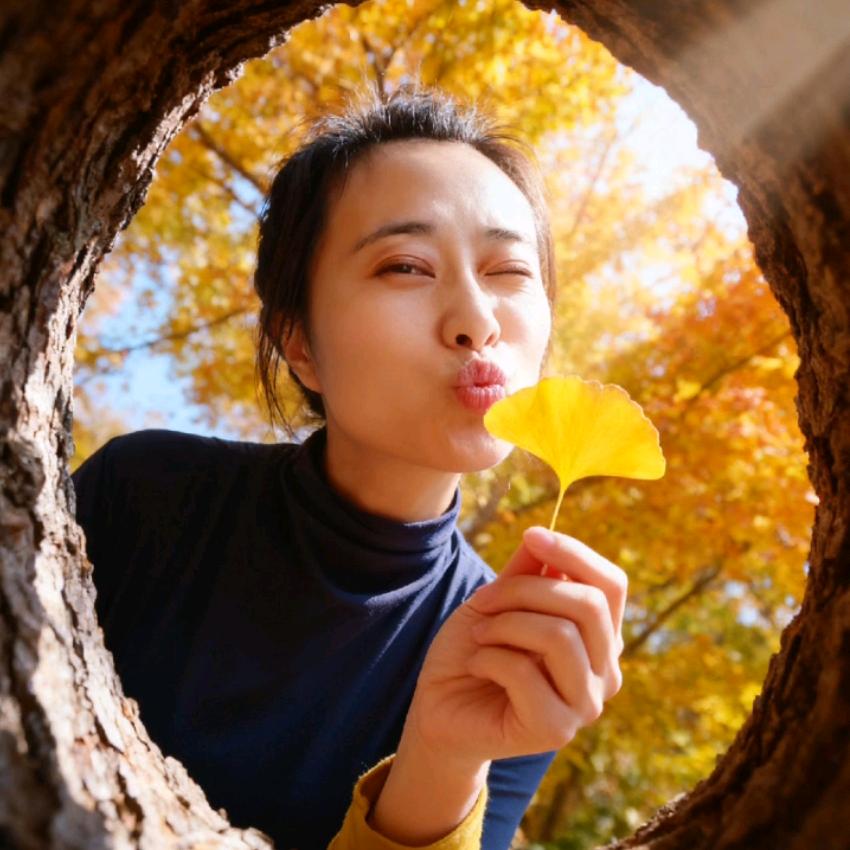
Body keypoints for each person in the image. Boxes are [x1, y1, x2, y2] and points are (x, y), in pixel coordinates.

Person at [71, 82, 626, 850]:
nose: (477, 322)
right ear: (300, 346)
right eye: (405, 266)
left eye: (508, 272)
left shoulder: (516, 652)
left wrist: (445, 755)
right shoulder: (144, 496)